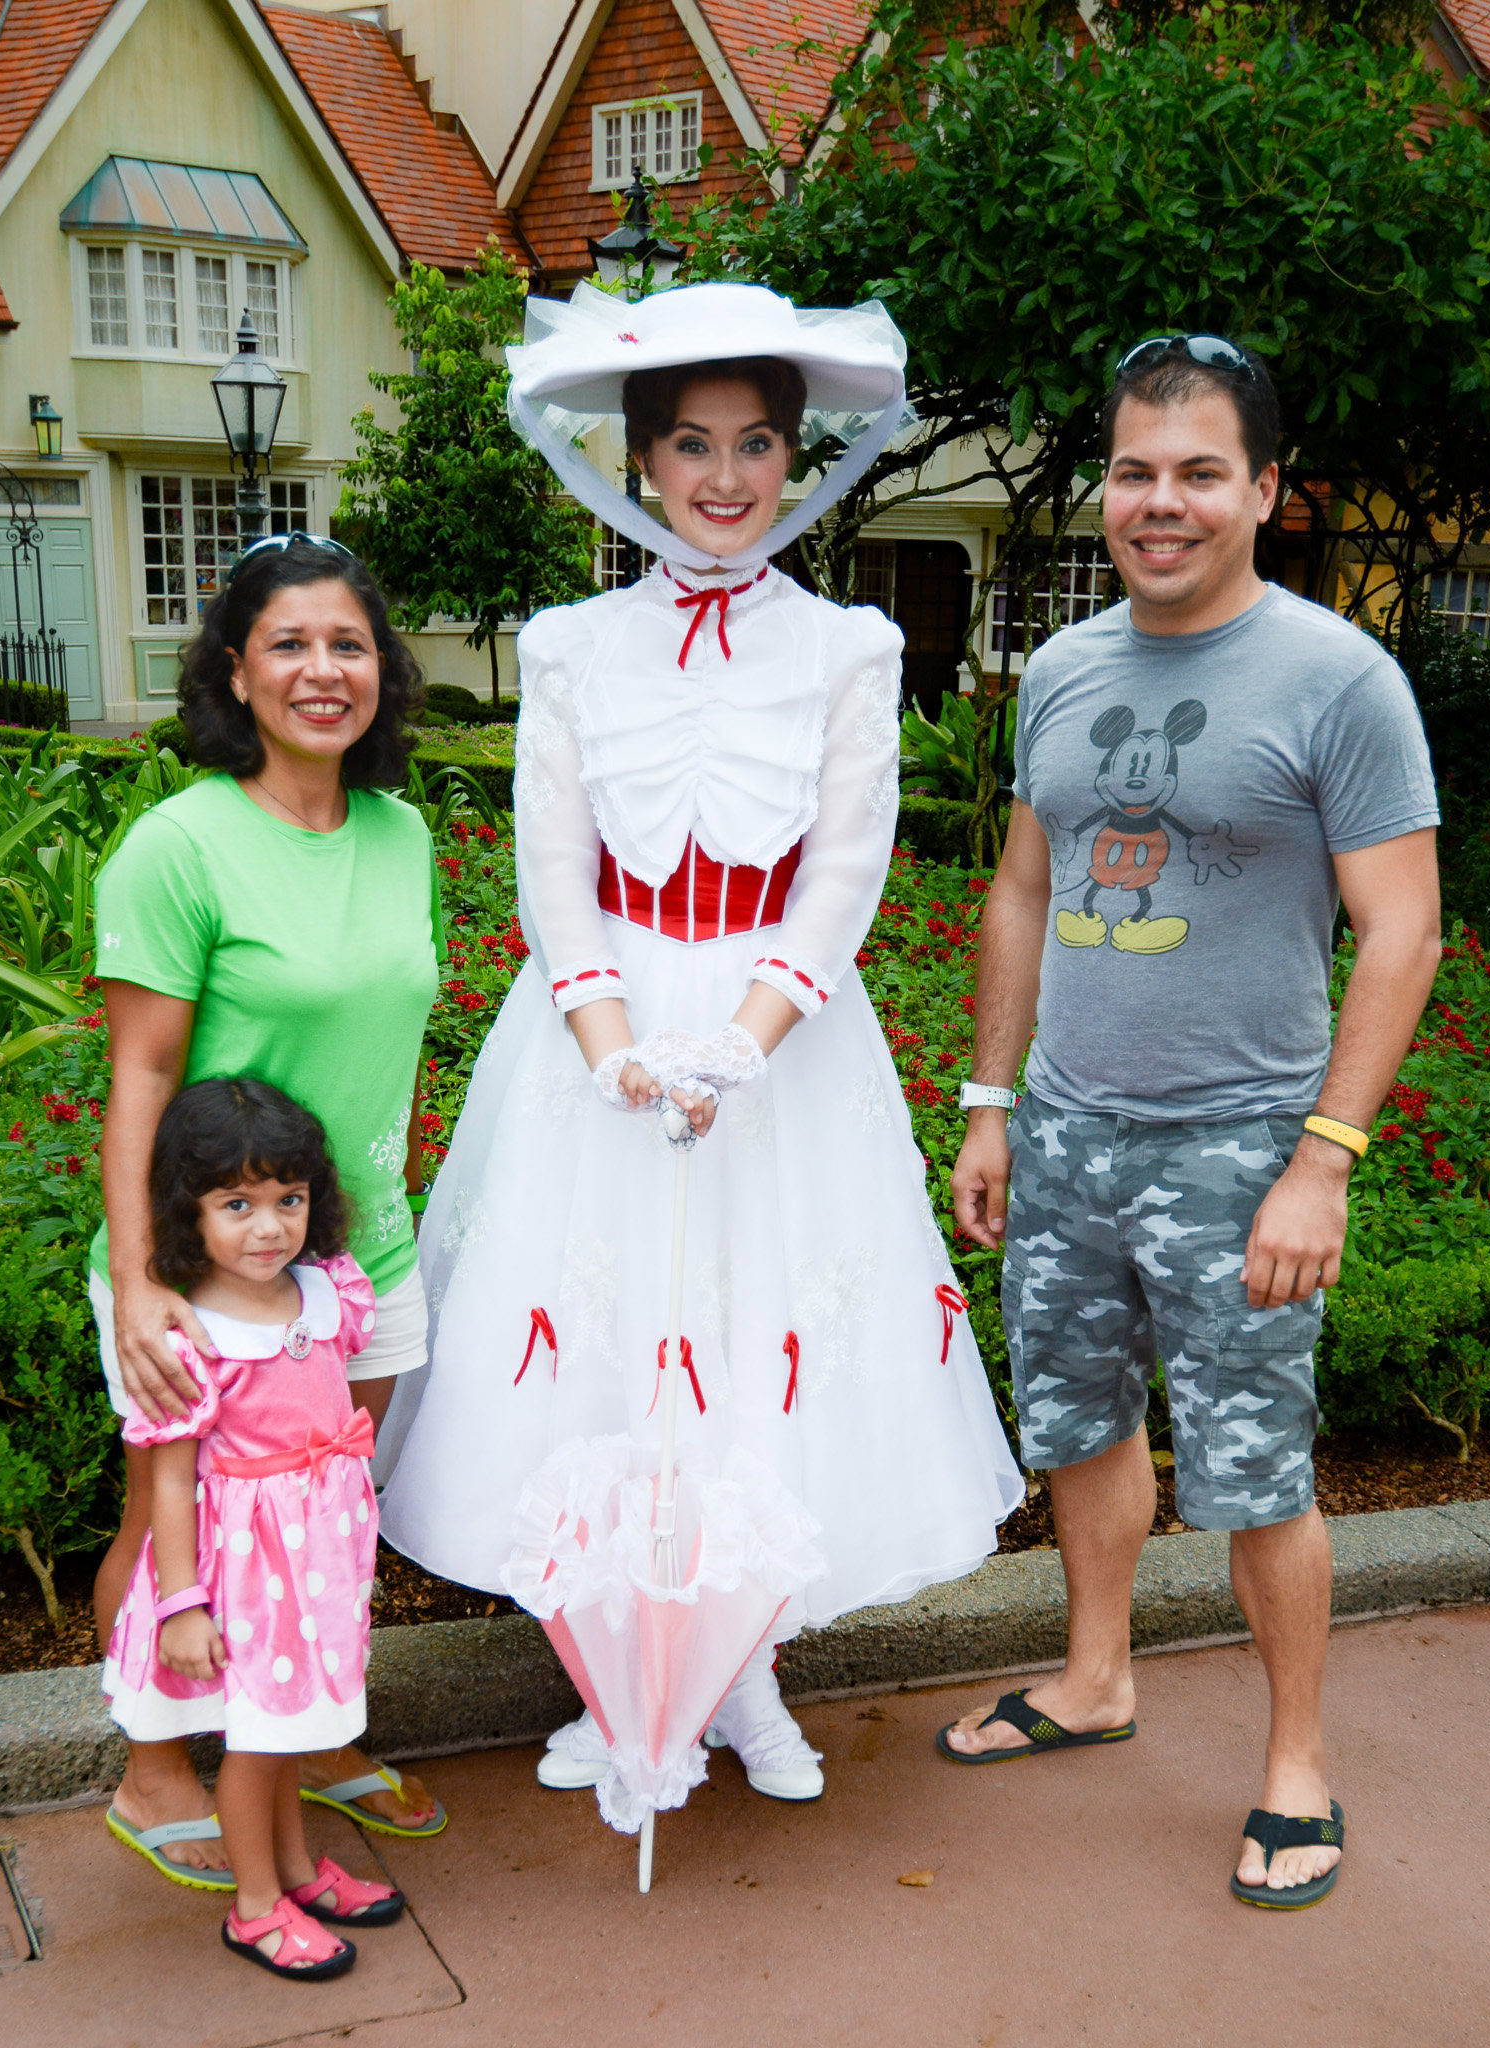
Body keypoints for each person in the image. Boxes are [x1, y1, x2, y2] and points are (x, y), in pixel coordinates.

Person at [379, 281, 1024, 1802]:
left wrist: (740, 1046)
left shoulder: (849, 649)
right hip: (592, 1042)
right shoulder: (571, 645)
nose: (722, 478)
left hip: (779, 1051)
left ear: (793, 458)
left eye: (751, 445)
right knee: (600, 1359)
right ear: (642, 458)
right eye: (688, 445)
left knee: (750, 1355)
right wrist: (611, 1051)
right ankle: (616, 1678)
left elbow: (842, 877)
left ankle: (744, 1680)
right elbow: (553, 872)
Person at [942, 335, 1441, 1910]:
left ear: (1265, 489)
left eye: (1199, 471)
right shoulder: (1065, 669)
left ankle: (1296, 1765)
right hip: (1071, 1134)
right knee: (1082, 1424)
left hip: (1241, 1148)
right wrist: (987, 1103)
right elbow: (1025, 889)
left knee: (1255, 1472)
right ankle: (1095, 1679)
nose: (1161, 502)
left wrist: (1322, 1162)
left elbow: (1403, 930)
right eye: (1136, 470)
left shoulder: (1338, 680)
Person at [92, 535, 446, 1890]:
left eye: (347, 644)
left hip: (360, 1263)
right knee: (171, 1514)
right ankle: (155, 1763)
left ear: (380, 670)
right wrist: (141, 1283)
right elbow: (140, 1074)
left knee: (319, 1513)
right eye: (288, 643)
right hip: (207, 1270)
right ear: (234, 670)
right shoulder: (178, 846)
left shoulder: (401, 832)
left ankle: (294, 1734)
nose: (321, 670)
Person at [103, 1078, 405, 1979]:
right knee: (258, 1736)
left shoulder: (327, 1295)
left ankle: (300, 1871)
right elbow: (170, 1477)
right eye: (237, 1203)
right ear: (186, 1211)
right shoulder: (194, 1330)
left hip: (316, 1554)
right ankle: (256, 1906)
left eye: (288, 1199)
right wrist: (184, 1602)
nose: (269, 1226)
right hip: (245, 1566)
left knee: (293, 1728)